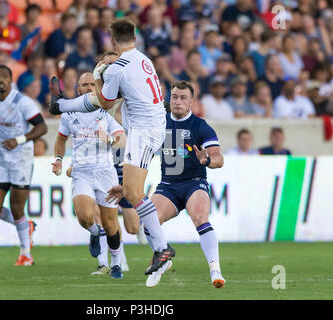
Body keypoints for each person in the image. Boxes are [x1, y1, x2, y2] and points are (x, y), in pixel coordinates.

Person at [49, 18, 175, 276]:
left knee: (134, 194)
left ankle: (162, 247)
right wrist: (64, 106)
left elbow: (103, 102)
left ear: (113, 42)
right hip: (154, 127)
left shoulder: (118, 69)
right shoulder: (143, 59)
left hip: (142, 131)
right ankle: (160, 248)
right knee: (131, 191)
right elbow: (106, 97)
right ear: (135, 39)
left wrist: (95, 76)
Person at [106, 81, 226, 288]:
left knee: (199, 217)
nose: (178, 101)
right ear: (169, 99)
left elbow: (218, 158)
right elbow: (142, 157)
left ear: (191, 102)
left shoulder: (200, 126)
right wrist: (127, 185)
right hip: (168, 186)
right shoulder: (158, 124)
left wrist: (207, 160)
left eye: (183, 98)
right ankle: (163, 259)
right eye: (175, 97)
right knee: (148, 222)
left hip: (194, 184)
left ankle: (215, 270)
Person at [52, 72, 127, 279]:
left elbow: (122, 138)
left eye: (92, 85)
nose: (88, 88)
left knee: (111, 223)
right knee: (85, 218)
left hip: (105, 172)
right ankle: (95, 233)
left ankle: (116, 263)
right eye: (84, 85)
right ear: (78, 90)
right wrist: (59, 159)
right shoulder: (69, 114)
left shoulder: (105, 112)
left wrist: (110, 139)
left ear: (98, 89)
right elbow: (60, 140)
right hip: (81, 172)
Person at [0, 65, 48, 265]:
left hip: (21, 159)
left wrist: (18, 140)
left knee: (16, 206)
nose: (0, 80)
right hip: (1, 158)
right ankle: (27, 226)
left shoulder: (22, 102)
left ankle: (25, 254)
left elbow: (42, 127)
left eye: (4, 77)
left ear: (11, 80)